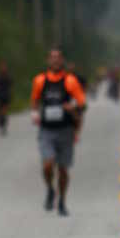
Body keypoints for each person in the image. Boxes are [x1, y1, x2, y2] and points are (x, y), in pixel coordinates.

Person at [31, 46, 88, 216]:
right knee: (47, 164)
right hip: (47, 130)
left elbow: (82, 103)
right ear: (48, 60)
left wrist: (73, 107)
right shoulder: (40, 80)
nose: (55, 60)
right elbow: (34, 101)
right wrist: (35, 114)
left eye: (58, 57)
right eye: (52, 57)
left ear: (62, 60)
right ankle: (50, 189)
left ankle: (62, 201)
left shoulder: (70, 81)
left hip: (65, 129)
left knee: (63, 169)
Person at [0, 61, 12, 133]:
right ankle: (1, 122)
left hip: (6, 95)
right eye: (2, 67)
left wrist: (10, 94)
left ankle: (3, 124)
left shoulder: (8, 76)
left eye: (4, 67)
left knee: (4, 111)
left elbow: (11, 86)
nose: (3, 68)